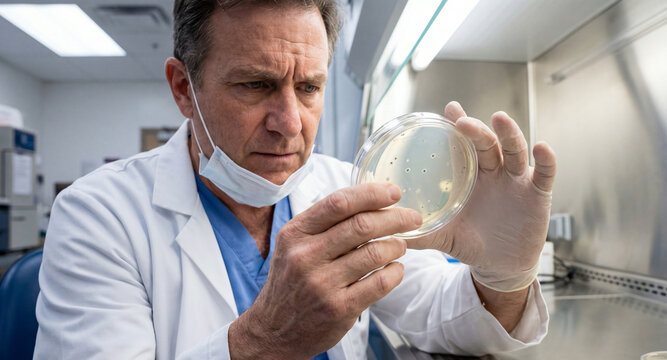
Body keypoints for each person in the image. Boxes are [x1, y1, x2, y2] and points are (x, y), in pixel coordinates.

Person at [33, 0, 556, 359]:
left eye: (308, 87)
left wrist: (504, 277)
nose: (290, 123)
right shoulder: (98, 215)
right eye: (256, 85)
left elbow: (443, 317)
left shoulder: (341, 188)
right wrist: (265, 340)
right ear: (183, 89)